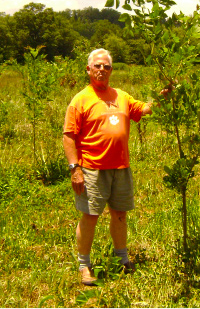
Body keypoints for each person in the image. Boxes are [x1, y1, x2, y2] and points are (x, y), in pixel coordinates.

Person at [63, 48, 154, 286]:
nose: (102, 69)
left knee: (120, 214)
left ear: (111, 70)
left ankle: (121, 258)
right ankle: (84, 265)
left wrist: (163, 97)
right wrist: (75, 169)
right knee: (90, 216)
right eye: (97, 66)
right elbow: (69, 136)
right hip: (92, 168)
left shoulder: (121, 96)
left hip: (121, 167)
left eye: (106, 66)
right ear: (88, 69)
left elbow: (143, 109)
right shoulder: (80, 100)